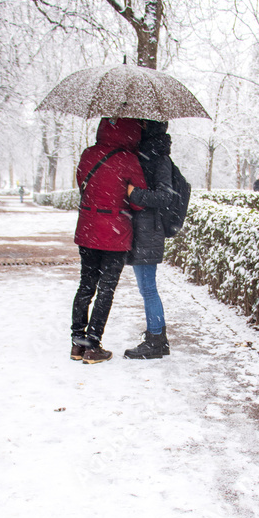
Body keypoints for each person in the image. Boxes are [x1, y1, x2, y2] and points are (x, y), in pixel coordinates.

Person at [71, 117, 147, 364]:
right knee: (106, 290)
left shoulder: (88, 154)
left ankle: (77, 343)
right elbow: (137, 200)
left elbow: (82, 184)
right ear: (132, 132)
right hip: (115, 234)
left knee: (86, 285)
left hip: (88, 228)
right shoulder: (129, 159)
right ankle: (93, 345)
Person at [123, 120, 174, 359]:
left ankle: (155, 340)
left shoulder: (159, 158)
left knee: (148, 288)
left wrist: (135, 194)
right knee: (147, 288)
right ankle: (158, 339)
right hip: (141, 228)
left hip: (148, 230)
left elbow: (165, 196)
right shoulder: (143, 154)